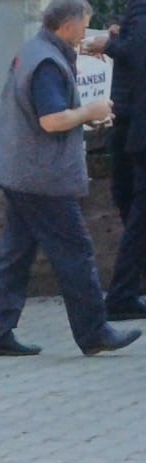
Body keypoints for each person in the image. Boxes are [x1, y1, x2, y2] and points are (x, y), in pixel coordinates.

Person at [0, 0, 142, 358]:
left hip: (21, 170)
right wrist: (90, 111)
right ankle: (93, 331)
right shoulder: (48, 62)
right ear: (67, 24)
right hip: (42, 176)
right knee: (76, 252)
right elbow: (50, 120)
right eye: (85, 24)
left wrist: (83, 117)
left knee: (16, 253)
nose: (86, 32)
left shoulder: (34, 51)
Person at [102, 0, 146, 319]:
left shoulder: (136, 18)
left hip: (131, 128)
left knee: (136, 214)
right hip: (133, 129)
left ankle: (124, 293)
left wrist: (111, 42)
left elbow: (132, 54)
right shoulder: (139, 17)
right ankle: (122, 295)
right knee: (138, 216)